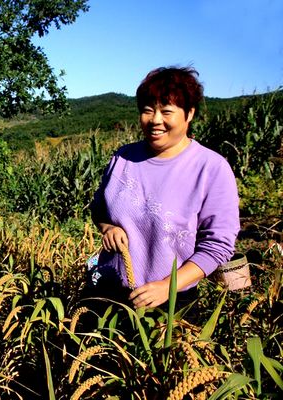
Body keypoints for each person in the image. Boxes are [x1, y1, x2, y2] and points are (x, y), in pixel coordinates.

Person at [89, 66, 240, 317]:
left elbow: (218, 245)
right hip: (107, 291)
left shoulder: (211, 168)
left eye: (166, 111)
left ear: (189, 114)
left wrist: (166, 287)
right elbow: (99, 207)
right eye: (148, 110)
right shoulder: (124, 158)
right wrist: (108, 228)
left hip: (170, 304)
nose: (155, 120)